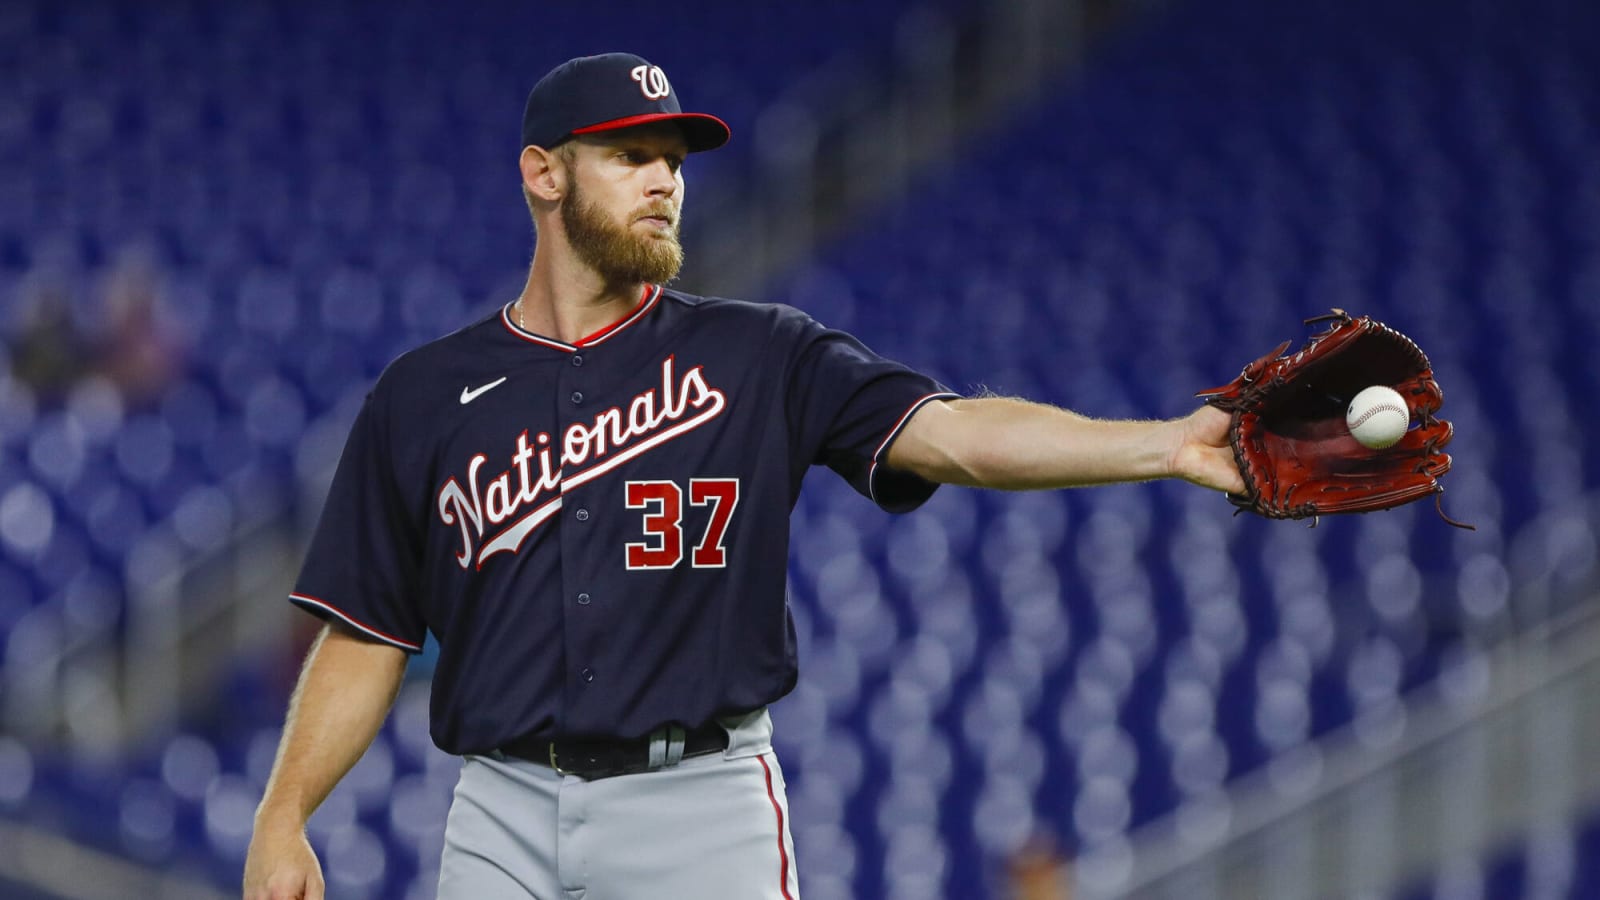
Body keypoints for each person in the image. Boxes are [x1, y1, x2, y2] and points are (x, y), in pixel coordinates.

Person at [243, 52, 1242, 900]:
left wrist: (1160, 445)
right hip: (499, 810)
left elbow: (959, 435)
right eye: (630, 155)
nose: (663, 181)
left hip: (697, 809)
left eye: (672, 162)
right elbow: (366, 630)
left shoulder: (761, 354)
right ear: (543, 174)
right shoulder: (425, 395)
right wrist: (284, 814)